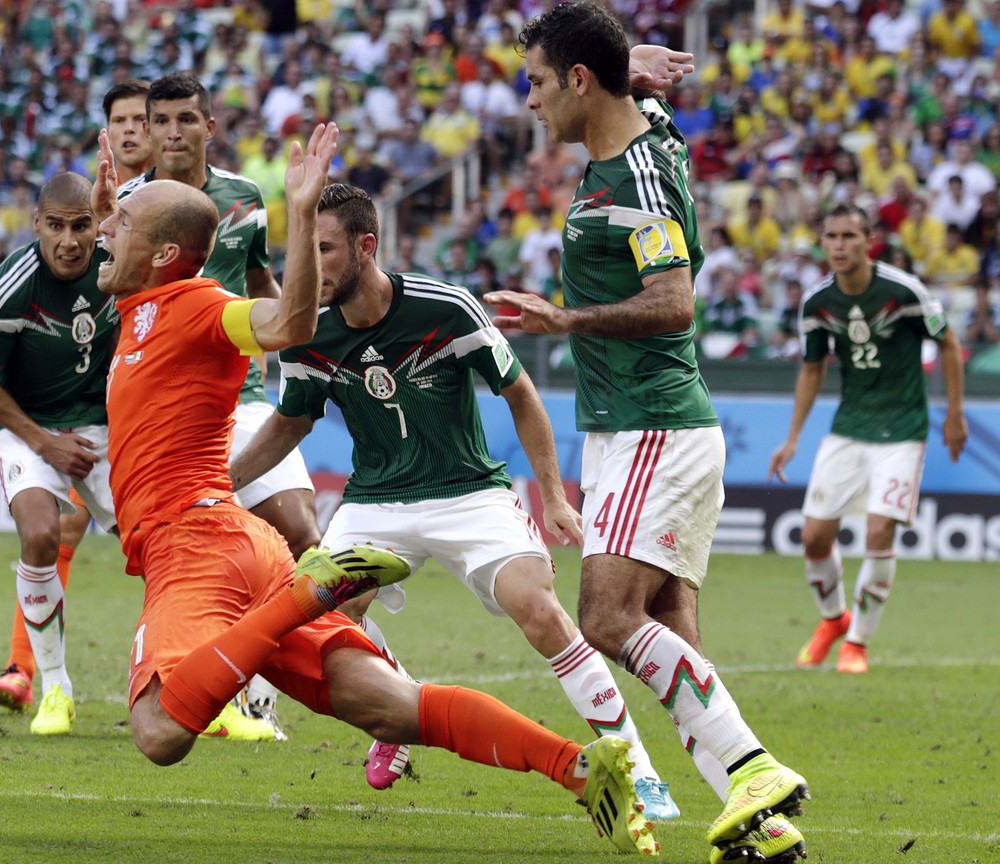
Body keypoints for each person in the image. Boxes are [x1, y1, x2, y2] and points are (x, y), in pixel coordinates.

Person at [95, 124, 655, 857]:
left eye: (123, 224)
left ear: (165, 254)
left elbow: (287, 321)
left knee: (161, 730)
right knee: (391, 708)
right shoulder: (138, 307)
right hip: (237, 537)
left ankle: (309, 590)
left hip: (196, 542)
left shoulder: (200, 306)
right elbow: (106, 259)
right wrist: (115, 207)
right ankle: (582, 769)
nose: (106, 229)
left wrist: (297, 217)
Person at [227, 181, 680, 815]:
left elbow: (520, 393)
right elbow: (291, 421)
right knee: (330, 616)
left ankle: (638, 767)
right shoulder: (307, 334)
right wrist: (225, 481)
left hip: (469, 491)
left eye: (323, 249)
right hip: (376, 500)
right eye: (302, 247)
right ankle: (400, 707)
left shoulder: (445, 308)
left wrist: (552, 495)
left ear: (366, 247)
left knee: (541, 611)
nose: (309, 265)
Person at [483, 6, 809, 862]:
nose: (530, 101)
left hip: (652, 423)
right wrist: (637, 62)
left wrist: (562, 320)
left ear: (580, 82)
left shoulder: (638, 177)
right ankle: (762, 827)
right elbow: (642, 100)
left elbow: (674, 301)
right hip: (634, 429)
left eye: (539, 82)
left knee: (604, 618)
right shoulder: (633, 143)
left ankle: (752, 766)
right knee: (669, 625)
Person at [97, 71, 324, 740]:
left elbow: (261, 280)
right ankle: (220, 672)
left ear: (206, 128)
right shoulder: (132, 204)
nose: (169, 132)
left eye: (183, 120)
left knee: (299, 529)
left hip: (241, 381)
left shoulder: (245, 199)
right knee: (189, 545)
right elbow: (112, 289)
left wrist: (286, 323)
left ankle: (273, 686)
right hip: (168, 389)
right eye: (157, 119)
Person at [767, 205, 967, 674]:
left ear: (868, 240)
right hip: (849, 427)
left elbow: (950, 344)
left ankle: (857, 643)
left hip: (902, 430)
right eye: (830, 236)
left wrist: (954, 414)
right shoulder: (817, 302)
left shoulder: (904, 291)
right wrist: (793, 437)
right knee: (815, 537)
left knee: (880, 529)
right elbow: (813, 368)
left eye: (848, 236)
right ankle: (834, 620)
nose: (838, 245)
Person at [0, 173, 119, 737]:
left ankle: (179, 675)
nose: (69, 241)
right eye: (55, 226)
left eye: (81, 226)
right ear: (37, 225)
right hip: (30, 428)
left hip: (106, 425)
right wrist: (44, 441)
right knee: (39, 535)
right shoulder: (5, 289)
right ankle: (54, 686)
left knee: (161, 549)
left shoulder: (120, 266)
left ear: (96, 224)